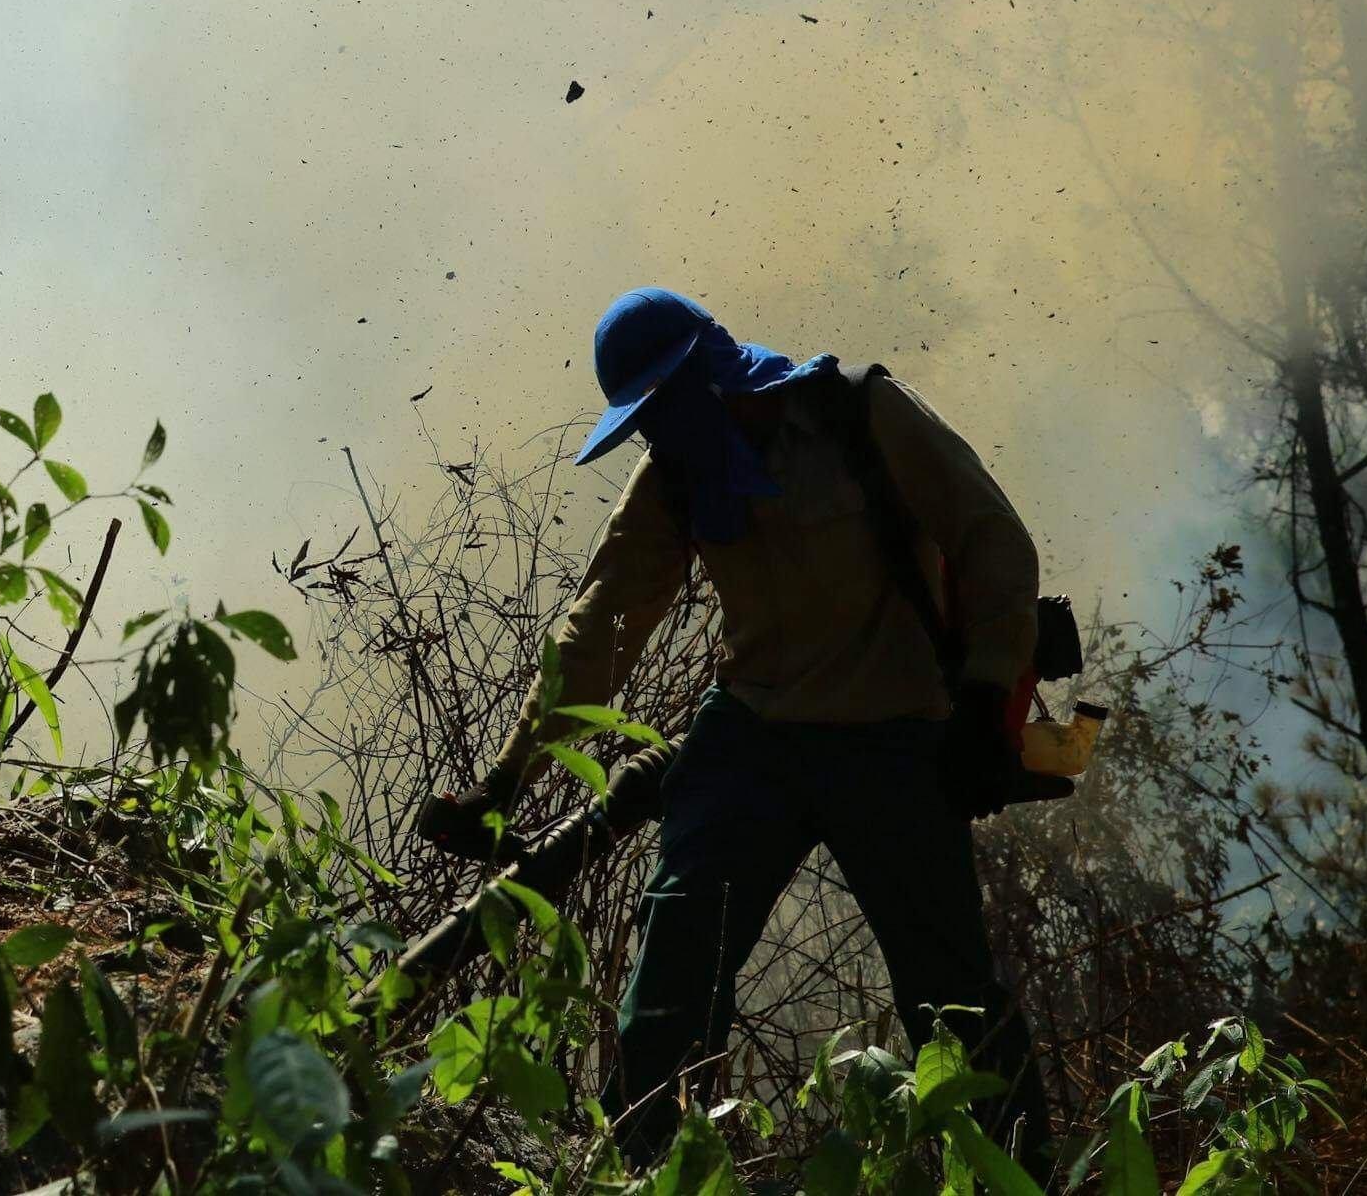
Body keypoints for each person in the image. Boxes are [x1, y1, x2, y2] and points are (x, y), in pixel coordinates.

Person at [426, 286, 1056, 1171]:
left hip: (895, 736)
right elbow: (600, 626)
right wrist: (505, 781)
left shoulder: (861, 414)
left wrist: (991, 701)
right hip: (753, 736)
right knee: (675, 969)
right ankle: (637, 1168)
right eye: (642, 421)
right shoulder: (677, 475)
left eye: (663, 409)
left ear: (710, 377)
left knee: (950, 997)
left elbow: (994, 541)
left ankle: (1022, 1176)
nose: (655, 435)